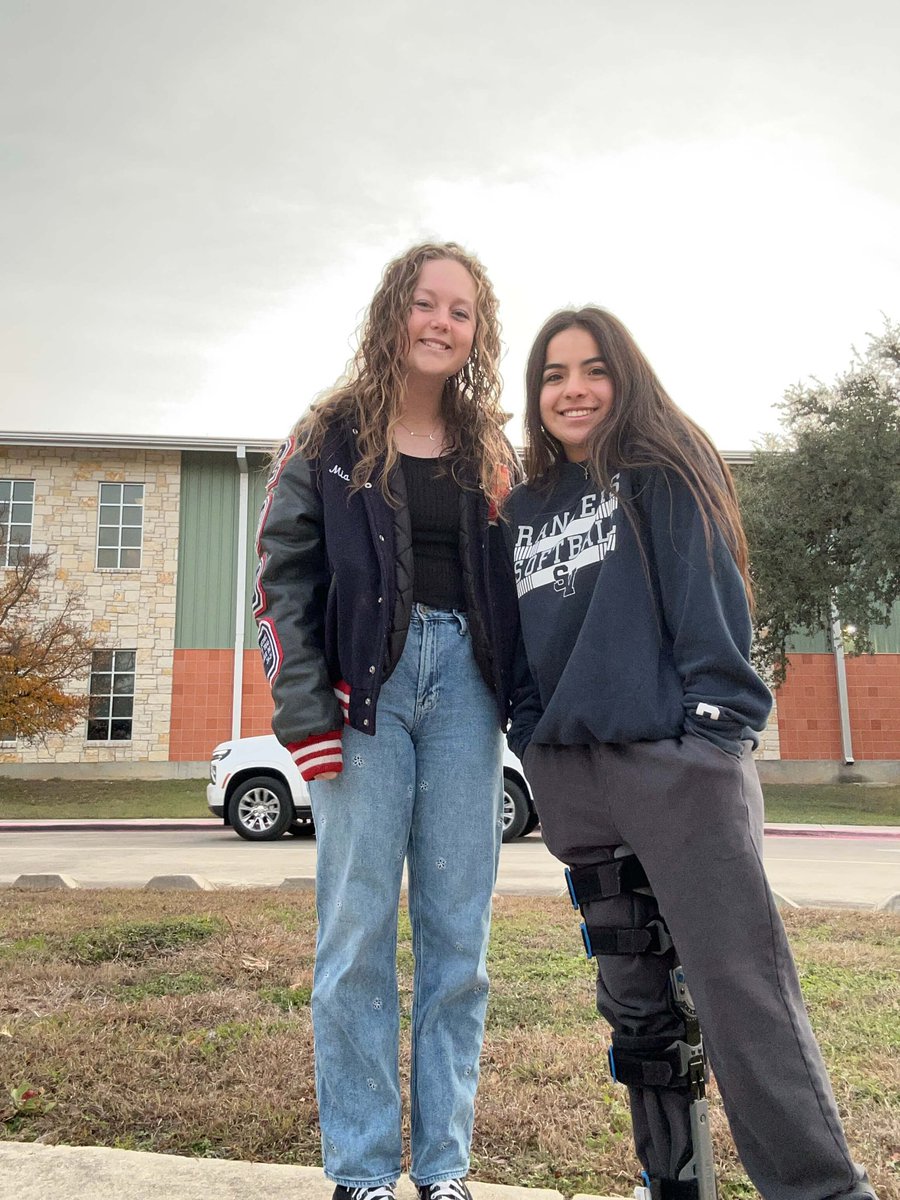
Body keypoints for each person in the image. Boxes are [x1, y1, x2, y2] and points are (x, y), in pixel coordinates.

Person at [505, 307, 878, 1200]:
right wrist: (534, 737)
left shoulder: (663, 471)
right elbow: (517, 647)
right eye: (553, 375)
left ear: (623, 376)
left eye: (592, 369)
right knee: (634, 1009)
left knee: (742, 999)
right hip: (577, 783)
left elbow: (714, 613)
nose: (574, 389)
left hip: (678, 769)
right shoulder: (520, 509)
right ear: (536, 394)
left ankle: (821, 1191)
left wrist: (711, 739)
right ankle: (672, 1179)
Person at [254, 243, 520, 1200]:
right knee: (357, 935)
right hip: (365, 695)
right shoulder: (328, 433)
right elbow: (281, 576)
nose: (442, 323)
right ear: (392, 314)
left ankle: (443, 1168)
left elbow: (519, 584)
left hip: (469, 698)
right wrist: (303, 710)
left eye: (461, 310)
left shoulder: (492, 446)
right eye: (426, 304)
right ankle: (362, 1171)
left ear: (476, 329)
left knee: (459, 940)